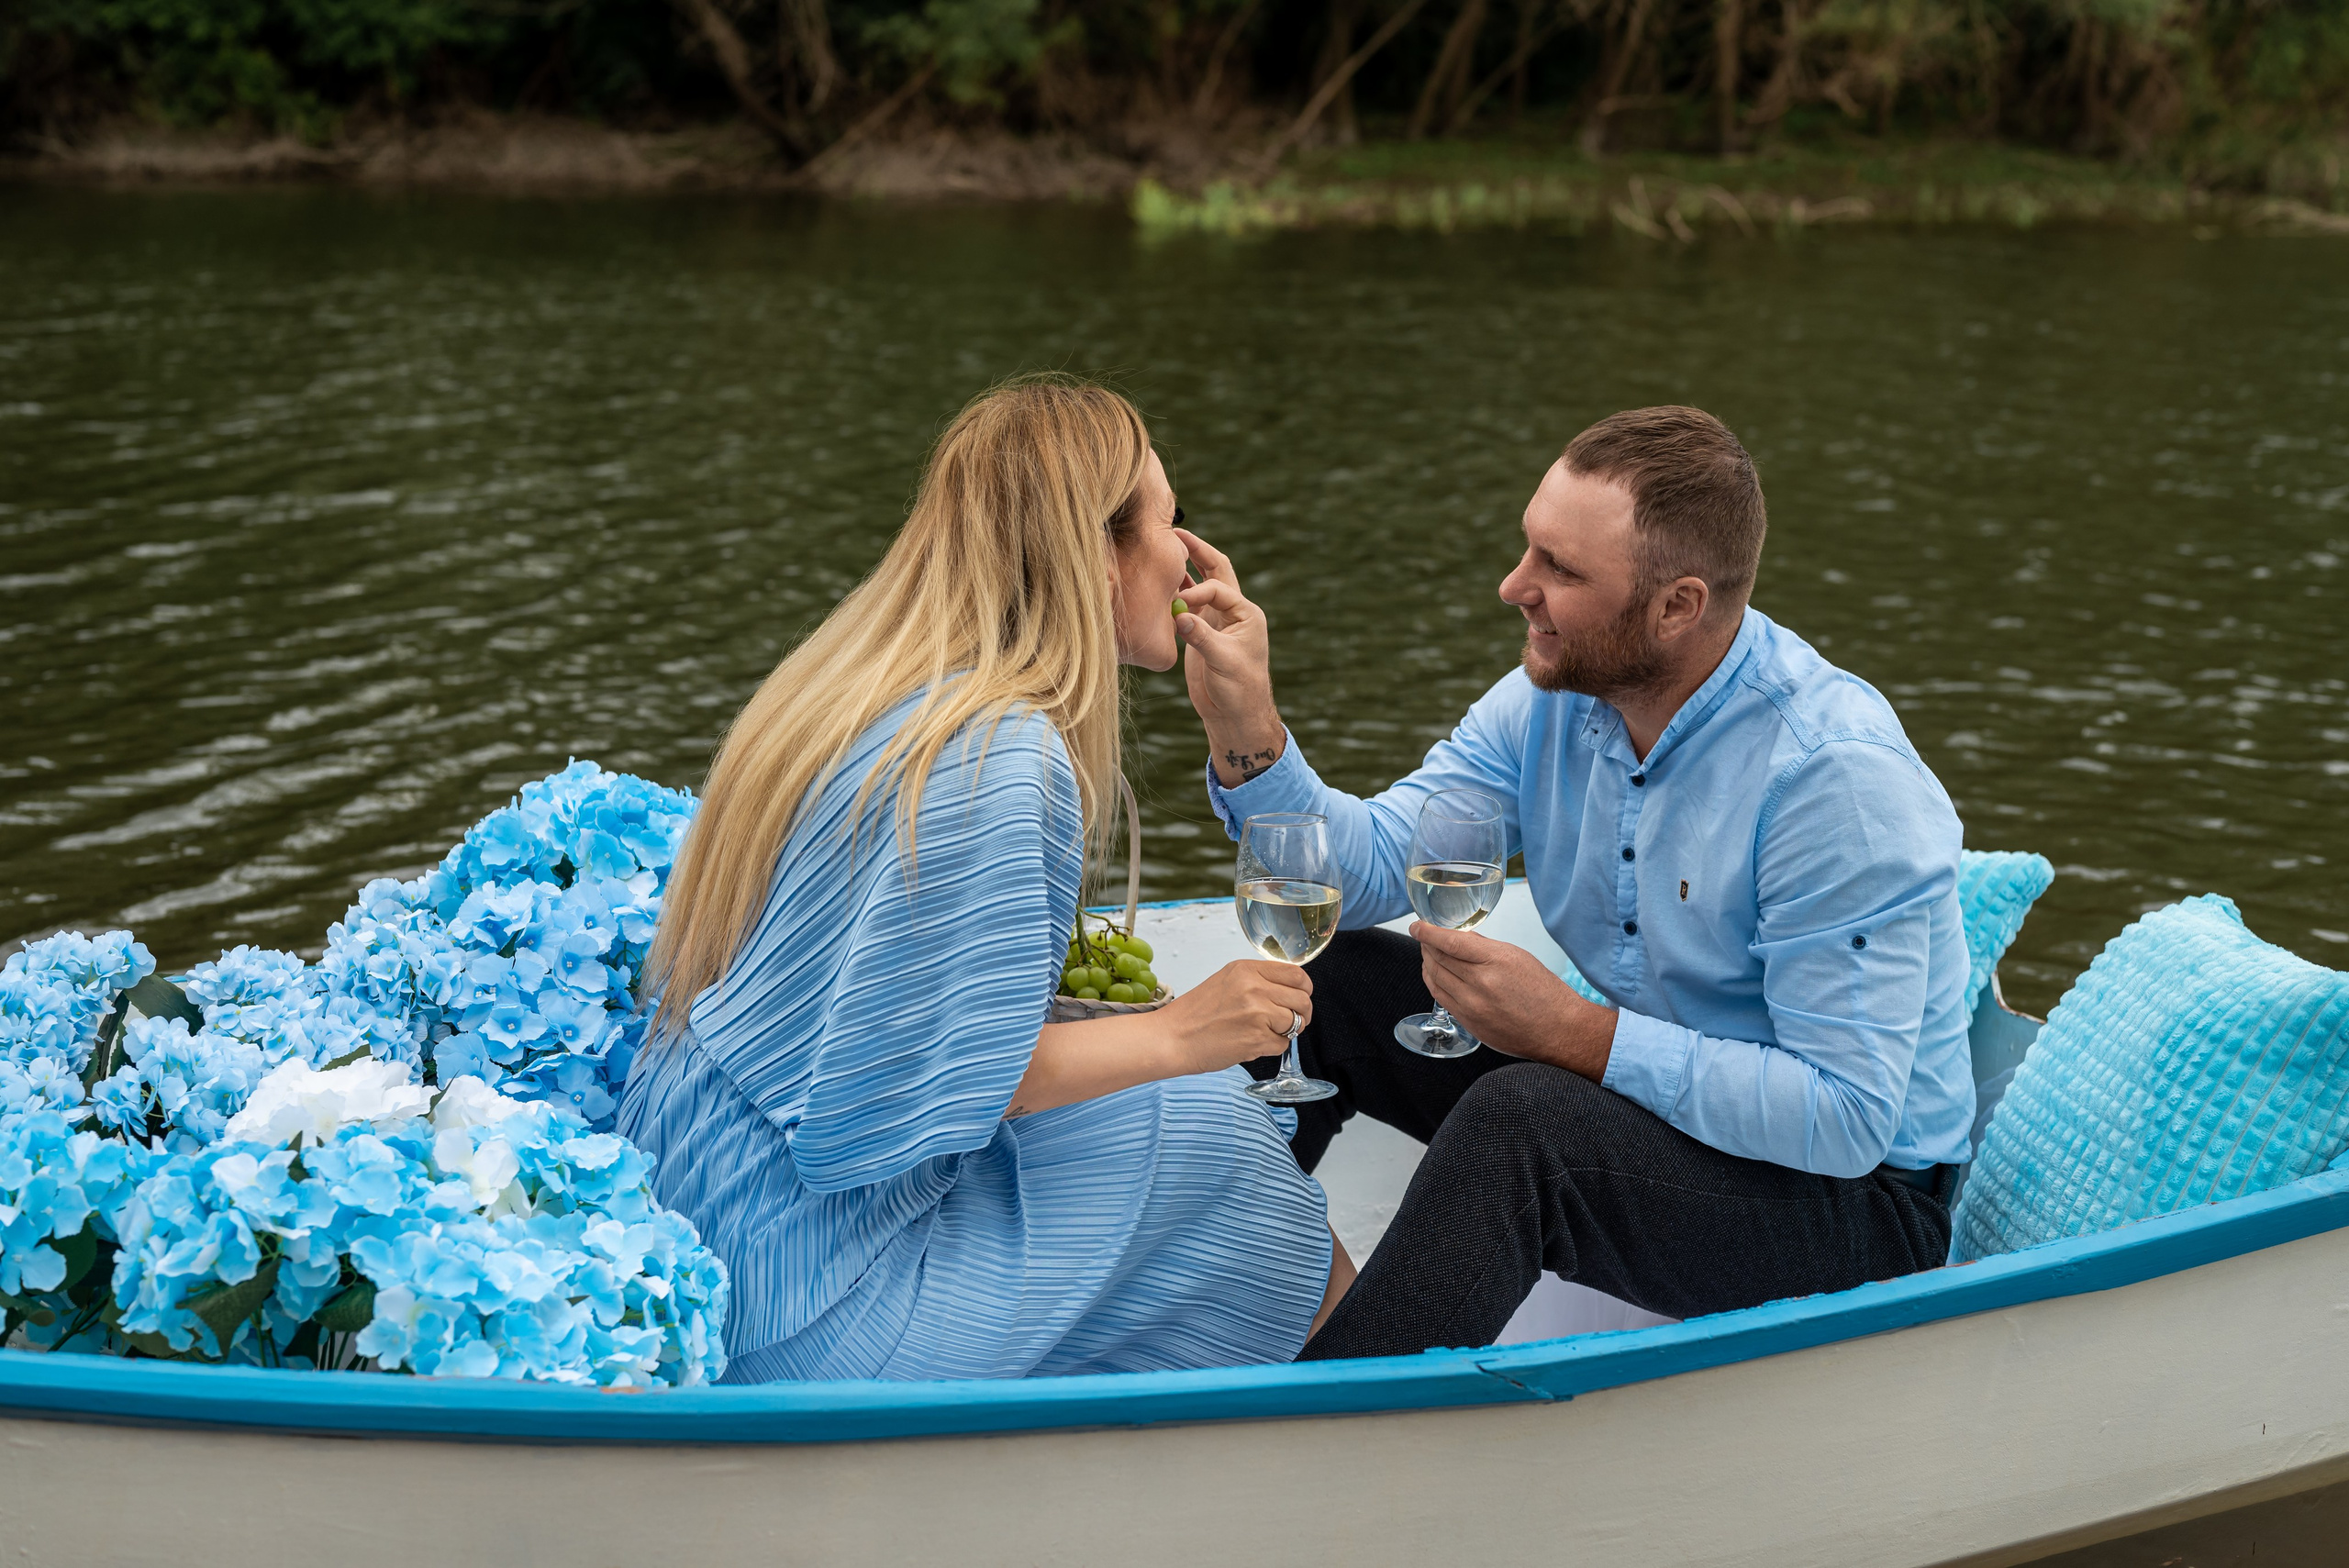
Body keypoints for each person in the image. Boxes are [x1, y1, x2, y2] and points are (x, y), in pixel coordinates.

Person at [1174, 406, 1975, 1361]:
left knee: (1527, 1124)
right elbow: (1371, 865)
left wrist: (1574, 1034)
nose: (1516, 586)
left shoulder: (1832, 780)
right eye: (1529, 550)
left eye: (1561, 570)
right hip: (1667, 1121)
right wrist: (1246, 724)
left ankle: (1314, 1444)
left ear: (1676, 606)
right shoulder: (1550, 705)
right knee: (1327, 982)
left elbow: (1844, 1118)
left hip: (1856, 1210)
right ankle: (1178, 1311)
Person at [623, 375, 1352, 1383]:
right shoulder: (1003, 760)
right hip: (807, 1305)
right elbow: (871, 1109)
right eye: (1169, 521)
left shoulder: (873, 690)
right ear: (1096, 552)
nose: (1189, 552)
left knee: (1168, 1102)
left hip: (698, 1221)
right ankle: (1375, 1413)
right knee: (1212, 1128)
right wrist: (1181, 1032)